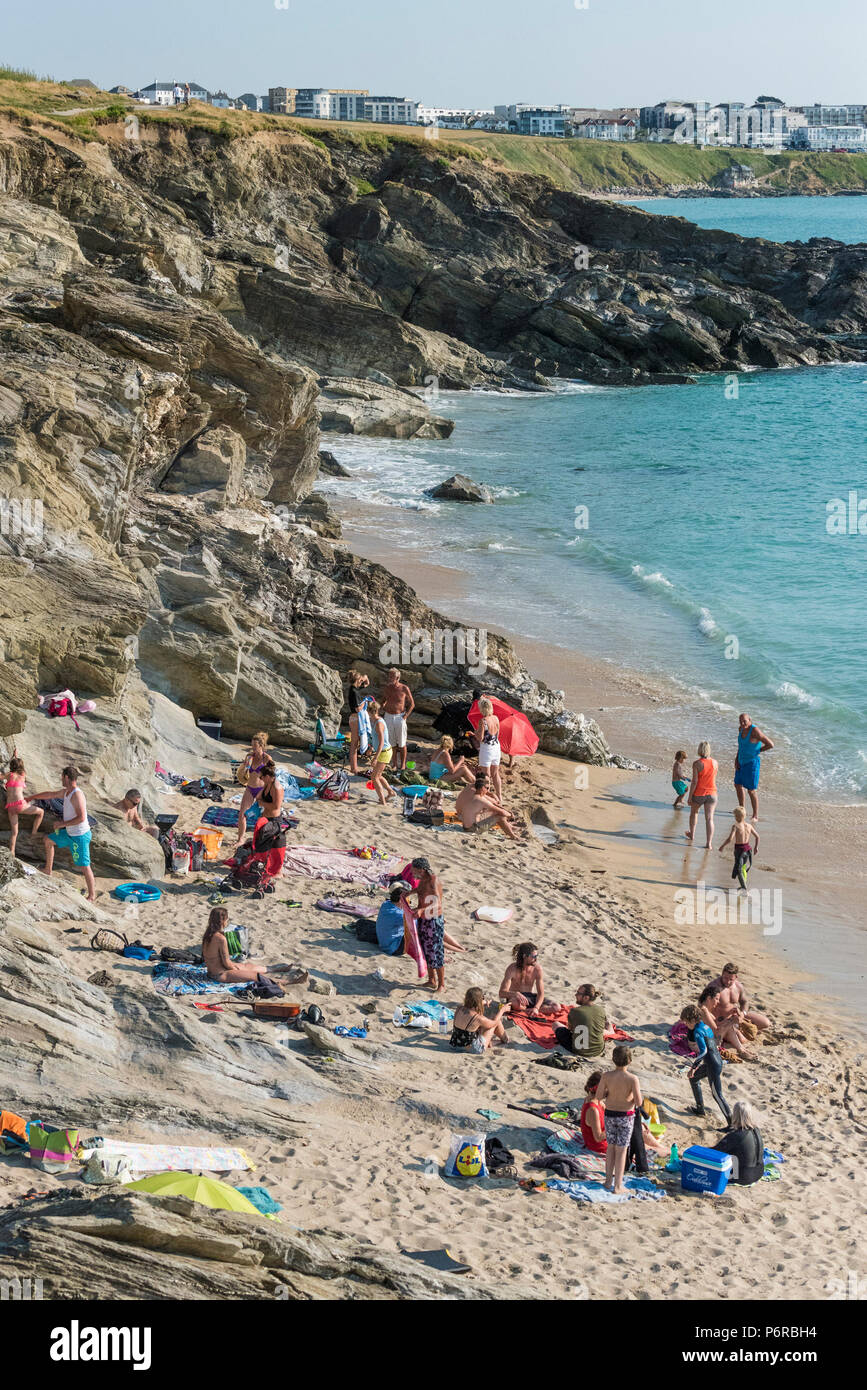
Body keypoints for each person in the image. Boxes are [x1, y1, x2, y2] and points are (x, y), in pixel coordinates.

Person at [31, 765, 96, 902]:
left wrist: (61, 824)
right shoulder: (66, 792)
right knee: (48, 840)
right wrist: (31, 797)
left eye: (62, 777)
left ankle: (92, 895)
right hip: (69, 833)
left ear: (66, 777)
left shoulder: (77, 794)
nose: (61, 779)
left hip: (79, 836)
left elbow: (82, 817)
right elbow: (50, 794)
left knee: (84, 866)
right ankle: (48, 869)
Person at [596, 1046, 642, 1194]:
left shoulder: (606, 1076)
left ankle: (608, 1181)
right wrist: (628, 1100)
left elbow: (598, 1096)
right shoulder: (632, 1079)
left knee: (611, 1147)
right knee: (621, 1151)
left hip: (610, 1114)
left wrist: (611, 1093)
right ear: (629, 1060)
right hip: (625, 1116)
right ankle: (618, 1186)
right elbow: (639, 1101)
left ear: (613, 1059)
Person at [681, 1004, 732, 1126]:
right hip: (713, 1062)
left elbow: (703, 1051)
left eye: (687, 1023)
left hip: (713, 1065)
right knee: (694, 1079)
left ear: (693, 1020)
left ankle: (731, 1124)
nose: (686, 1025)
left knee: (717, 1095)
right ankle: (700, 1109)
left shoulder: (698, 1031)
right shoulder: (705, 1026)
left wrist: (693, 1067)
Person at [202, 907, 271, 983]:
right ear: (223, 921)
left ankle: (274, 969)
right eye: (227, 919)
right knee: (257, 977)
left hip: (212, 972)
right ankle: (283, 981)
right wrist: (236, 969)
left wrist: (235, 966)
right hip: (220, 975)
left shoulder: (207, 934)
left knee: (246, 966)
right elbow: (227, 963)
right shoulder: (221, 939)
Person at [707, 962, 771, 1034]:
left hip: (735, 1018)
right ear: (722, 974)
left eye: (731, 979)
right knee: (741, 1039)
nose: (727, 982)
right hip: (719, 1021)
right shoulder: (713, 987)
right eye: (725, 978)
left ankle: (739, 1030)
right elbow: (703, 1006)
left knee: (765, 1023)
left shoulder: (738, 986)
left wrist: (742, 1014)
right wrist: (714, 1021)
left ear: (736, 977)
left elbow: (744, 1002)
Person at [698, 983, 756, 1061]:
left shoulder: (705, 1009)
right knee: (730, 1026)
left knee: (730, 1028)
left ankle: (742, 1049)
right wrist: (731, 1021)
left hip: (710, 1036)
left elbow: (716, 1023)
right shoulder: (703, 1011)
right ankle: (741, 1050)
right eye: (716, 999)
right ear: (709, 998)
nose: (718, 1002)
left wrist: (730, 1015)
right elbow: (716, 1030)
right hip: (706, 1040)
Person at [712, 1100, 764, 1185]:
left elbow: (715, 1152)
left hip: (744, 1177)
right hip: (759, 1172)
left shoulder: (737, 1135)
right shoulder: (756, 1130)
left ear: (735, 1115)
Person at [455, 772, 520, 840]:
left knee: (494, 811)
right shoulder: (480, 798)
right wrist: (510, 815)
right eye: (486, 786)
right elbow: (499, 809)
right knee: (500, 816)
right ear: (482, 787)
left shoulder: (474, 792)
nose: (488, 788)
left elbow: (493, 805)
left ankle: (509, 826)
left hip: (466, 823)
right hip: (471, 828)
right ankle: (514, 837)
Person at [414, 858, 447, 991]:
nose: (411, 872)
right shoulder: (423, 880)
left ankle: (442, 984)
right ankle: (431, 980)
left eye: (413, 870)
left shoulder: (433, 881)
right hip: (424, 920)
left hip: (433, 921)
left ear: (421, 870)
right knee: (425, 950)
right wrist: (411, 892)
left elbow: (437, 903)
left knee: (436, 951)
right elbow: (421, 891)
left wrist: (421, 909)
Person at [734, 713, 774, 822]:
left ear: (749, 720)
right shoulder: (741, 729)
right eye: (740, 721)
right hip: (741, 761)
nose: (742, 723)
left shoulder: (755, 731)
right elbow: (741, 746)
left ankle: (755, 815)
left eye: (744, 721)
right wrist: (736, 759)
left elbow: (771, 744)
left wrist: (758, 750)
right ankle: (742, 809)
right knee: (737, 785)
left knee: (751, 790)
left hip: (751, 764)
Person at [3, 753, 44, 857]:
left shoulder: (9, 775)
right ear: (21, 767)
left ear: (11, 766)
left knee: (14, 832)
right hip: (20, 805)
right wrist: (16, 757)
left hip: (10, 807)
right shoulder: (22, 775)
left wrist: (14, 758)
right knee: (41, 812)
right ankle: (34, 832)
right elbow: (19, 765)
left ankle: (12, 852)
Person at [554, 983, 606, 1058]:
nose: (575, 995)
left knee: (556, 1025)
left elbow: (571, 1030)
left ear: (586, 997)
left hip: (579, 1050)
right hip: (599, 1050)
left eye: (578, 993)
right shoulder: (601, 1010)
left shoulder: (575, 1011)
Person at [449, 987, 509, 1052]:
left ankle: (490, 1042)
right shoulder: (477, 1018)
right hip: (473, 1049)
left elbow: (471, 1007)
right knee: (496, 1020)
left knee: (479, 1026)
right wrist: (502, 1010)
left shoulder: (459, 1008)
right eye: (482, 997)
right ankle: (505, 1040)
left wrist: (484, 1002)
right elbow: (494, 1023)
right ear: (479, 1000)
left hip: (455, 1045)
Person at [235, 732, 269, 844]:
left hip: (261, 790)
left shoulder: (267, 759)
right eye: (252, 745)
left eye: (255, 746)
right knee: (242, 814)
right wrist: (246, 765)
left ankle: (260, 840)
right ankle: (240, 839)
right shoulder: (249, 756)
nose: (253, 748)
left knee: (262, 817)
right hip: (250, 788)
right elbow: (242, 773)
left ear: (261, 746)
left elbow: (272, 777)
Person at [379, 668, 414, 772]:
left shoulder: (404, 688)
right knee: (392, 743)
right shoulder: (387, 688)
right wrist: (382, 708)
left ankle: (402, 765)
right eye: (389, 676)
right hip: (388, 716)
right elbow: (383, 700)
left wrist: (405, 716)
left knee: (402, 743)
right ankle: (394, 764)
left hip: (400, 717)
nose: (389, 678)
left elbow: (412, 704)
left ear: (397, 678)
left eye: (391, 676)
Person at [685, 741, 718, 849]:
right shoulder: (715, 763)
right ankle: (709, 843)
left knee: (694, 813)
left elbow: (694, 781)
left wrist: (690, 797)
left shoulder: (697, 763)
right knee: (709, 819)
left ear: (700, 750)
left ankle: (692, 834)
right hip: (712, 793)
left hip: (699, 793)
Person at [719, 806, 760, 891]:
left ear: (736, 817)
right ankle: (743, 884)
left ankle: (744, 888)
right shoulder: (749, 826)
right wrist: (756, 847)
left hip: (739, 851)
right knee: (743, 867)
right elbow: (757, 837)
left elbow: (730, 839)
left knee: (739, 870)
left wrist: (722, 846)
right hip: (748, 850)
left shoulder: (735, 826)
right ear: (744, 816)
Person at [498, 942, 546, 1015]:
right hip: (515, 998)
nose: (536, 959)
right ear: (524, 956)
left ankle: (530, 1010)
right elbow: (501, 993)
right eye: (533, 956)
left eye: (537, 956)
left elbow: (541, 993)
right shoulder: (512, 969)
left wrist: (536, 1007)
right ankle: (528, 1010)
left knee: (556, 1007)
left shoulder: (537, 969)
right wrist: (516, 994)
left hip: (529, 998)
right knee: (515, 1003)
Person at [368, 699, 396, 805]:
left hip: (384, 752)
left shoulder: (379, 723)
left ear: (370, 712)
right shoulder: (374, 721)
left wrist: (375, 757)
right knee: (378, 775)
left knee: (374, 777)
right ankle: (390, 792)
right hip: (383, 751)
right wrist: (371, 747)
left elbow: (381, 743)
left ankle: (383, 801)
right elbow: (374, 739)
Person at [476, 696, 503, 802]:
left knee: (486, 775)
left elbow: (481, 738)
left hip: (487, 749)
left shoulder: (483, 721)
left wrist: (475, 733)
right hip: (496, 747)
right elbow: (497, 734)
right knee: (496, 774)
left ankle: (489, 797)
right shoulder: (496, 718)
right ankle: (499, 796)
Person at [346, 669, 371, 775]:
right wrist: (365, 701)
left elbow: (367, 683)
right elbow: (357, 709)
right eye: (360, 680)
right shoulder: (354, 691)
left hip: (355, 718)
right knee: (354, 744)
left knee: (356, 743)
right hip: (355, 718)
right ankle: (353, 768)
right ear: (357, 680)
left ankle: (354, 767)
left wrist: (364, 676)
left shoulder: (355, 688)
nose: (362, 682)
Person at [579, 1070, 607, 1154]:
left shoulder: (597, 1101)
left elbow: (609, 1114)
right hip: (599, 1147)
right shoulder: (592, 1110)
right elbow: (598, 1137)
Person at [375, 887, 406, 956]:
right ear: (401, 901)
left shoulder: (386, 904)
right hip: (394, 948)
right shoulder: (398, 915)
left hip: (384, 943)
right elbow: (415, 923)